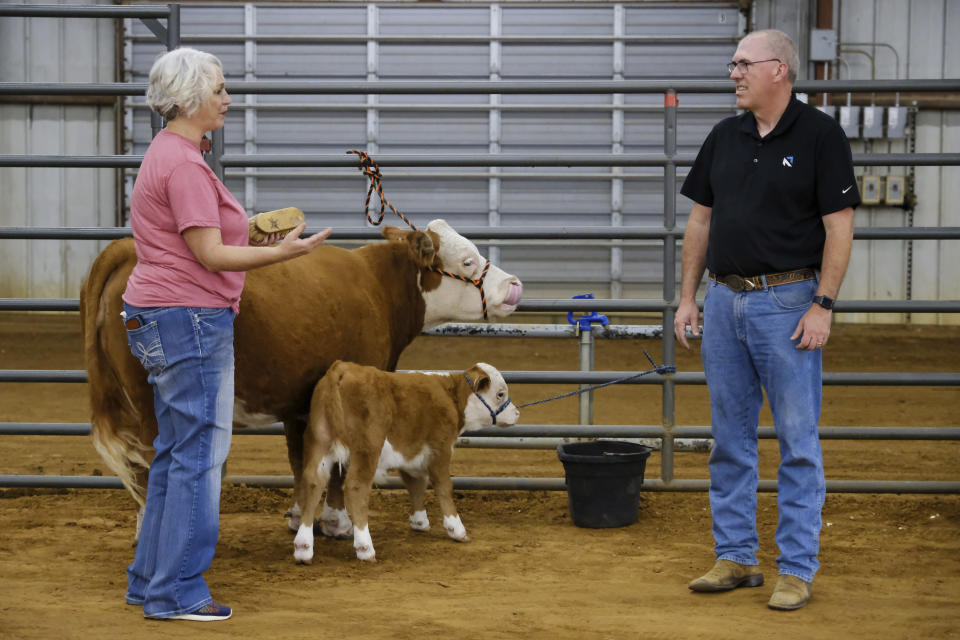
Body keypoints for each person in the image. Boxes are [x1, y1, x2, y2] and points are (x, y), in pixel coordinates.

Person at [120, 47, 331, 621]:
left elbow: (199, 244)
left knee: (175, 453)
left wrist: (256, 242)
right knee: (199, 458)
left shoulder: (170, 153)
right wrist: (285, 254)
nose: (228, 98)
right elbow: (209, 254)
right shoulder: (186, 165)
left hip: (160, 313)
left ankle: (149, 580)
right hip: (190, 319)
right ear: (190, 99)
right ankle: (177, 590)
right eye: (219, 89)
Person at [674, 29, 859, 611]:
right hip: (725, 302)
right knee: (729, 440)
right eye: (732, 64)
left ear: (778, 70)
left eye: (742, 64)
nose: (734, 73)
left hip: (789, 302)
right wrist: (687, 298)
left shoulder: (821, 137)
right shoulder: (724, 136)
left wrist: (823, 305)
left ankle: (797, 567)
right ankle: (735, 556)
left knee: (798, 442)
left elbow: (839, 226)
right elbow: (700, 222)